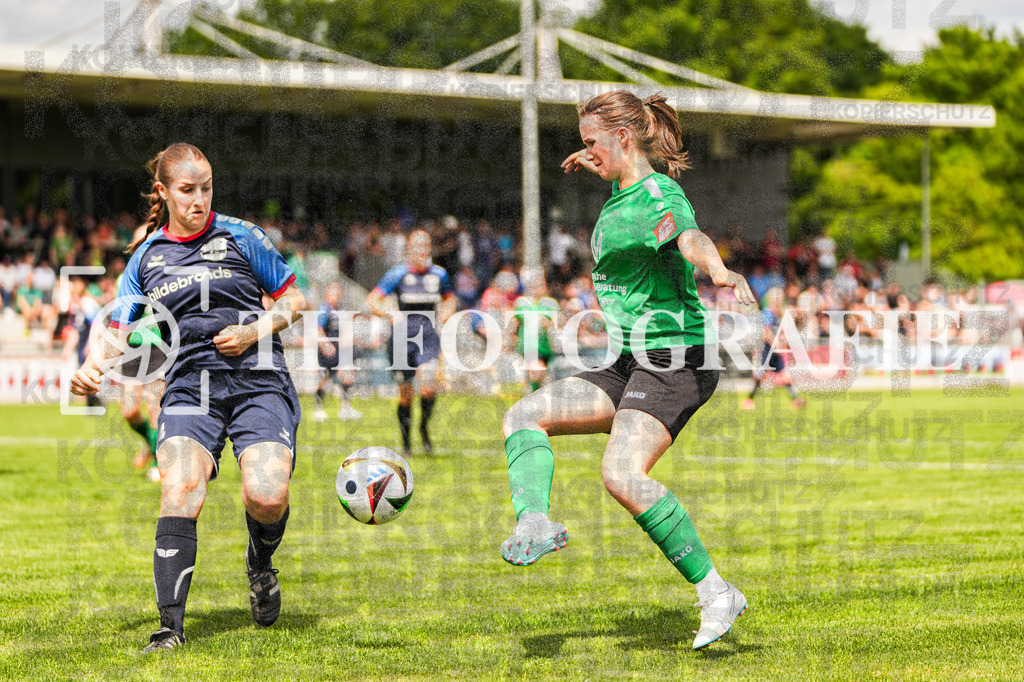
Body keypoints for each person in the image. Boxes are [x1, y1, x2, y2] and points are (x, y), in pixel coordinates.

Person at [499, 91, 757, 651]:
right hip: (630, 360)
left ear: (624, 136)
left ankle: (717, 593)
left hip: (675, 359)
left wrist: (716, 268)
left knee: (621, 474)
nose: (585, 151)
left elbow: (688, 235)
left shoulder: (660, 193)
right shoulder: (622, 194)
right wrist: (605, 171)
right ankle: (534, 524)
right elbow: (636, 213)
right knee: (524, 415)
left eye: (593, 141)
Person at [69, 143, 306, 653]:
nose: (199, 200)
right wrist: (92, 367)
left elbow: (295, 301)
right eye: (187, 190)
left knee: (266, 496)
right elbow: (119, 327)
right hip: (189, 387)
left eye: (206, 188)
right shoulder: (147, 256)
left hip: (258, 379)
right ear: (164, 192)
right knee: (179, 487)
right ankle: (169, 628)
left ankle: (260, 564)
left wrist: (255, 329)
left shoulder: (243, 236)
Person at [366, 229, 455, 457]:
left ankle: (423, 427)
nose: (421, 250)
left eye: (425, 245)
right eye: (417, 245)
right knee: (406, 393)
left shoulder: (439, 275)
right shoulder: (397, 274)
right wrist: (389, 313)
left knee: (428, 384)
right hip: (402, 339)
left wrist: (446, 313)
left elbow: (450, 299)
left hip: (427, 337)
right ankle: (406, 444)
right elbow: (373, 299)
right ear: (409, 249)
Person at [741, 287, 806, 410]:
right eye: (778, 297)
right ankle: (749, 400)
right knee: (760, 377)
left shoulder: (778, 313)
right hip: (767, 350)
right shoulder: (768, 313)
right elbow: (766, 332)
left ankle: (796, 400)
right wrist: (776, 344)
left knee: (784, 375)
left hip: (774, 351)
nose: (780, 300)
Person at [313, 281, 361, 422]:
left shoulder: (340, 309)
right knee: (325, 378)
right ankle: (318, 407)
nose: (336, 295)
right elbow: (318, 329)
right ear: (327, 293)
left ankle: (345, 407)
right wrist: (326, 345)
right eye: (333, 292)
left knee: (346, 374)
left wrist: (349, 338)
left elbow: (345, 327)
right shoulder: (324, 309)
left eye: (338, 292)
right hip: (328, 348)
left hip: (340, 348)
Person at [507, 271, 560, 394]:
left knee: (539, 372)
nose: (537, 289)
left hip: (545, 345)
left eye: (541, 285)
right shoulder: (522, 303)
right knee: (536, 369)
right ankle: (532, 393)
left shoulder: (551, 304)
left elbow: (558, 322)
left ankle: (533, 392)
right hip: (528, 344)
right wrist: (510, 337)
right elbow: (514, 322)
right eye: (535, 285)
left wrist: (548, 325)